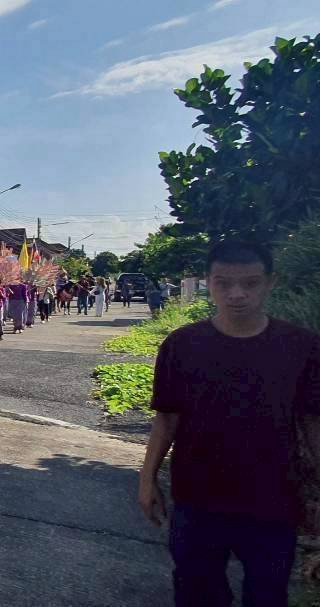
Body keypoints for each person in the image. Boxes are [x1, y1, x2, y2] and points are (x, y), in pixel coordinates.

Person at [139, 241, 320, 607]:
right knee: (196, 591)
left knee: (268, 595)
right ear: (209, 282)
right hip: (197, 496)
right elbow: (166, 418)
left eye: (250, 283)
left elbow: (312, 424)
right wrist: (147, 480)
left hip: (273, 499)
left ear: (271, 283)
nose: (237, 294)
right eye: (224, 283)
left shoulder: (301, 347)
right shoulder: (182, 345)